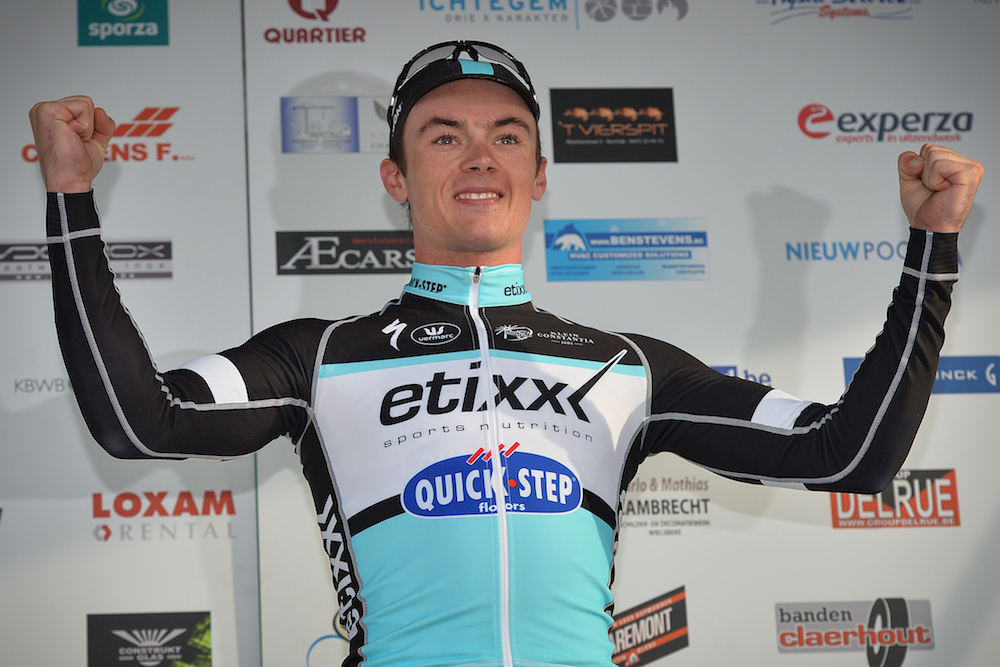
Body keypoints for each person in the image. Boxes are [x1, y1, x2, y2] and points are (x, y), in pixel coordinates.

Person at [29, 41, 984, 667]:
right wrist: (71, 197)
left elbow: (851, 454)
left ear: (539, 176)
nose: (479, 156)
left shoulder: (629, 364)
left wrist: (933, 250)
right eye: (444, 136)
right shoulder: (315, 357)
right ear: (397, 177)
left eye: (506, 136)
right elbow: (133, 418)